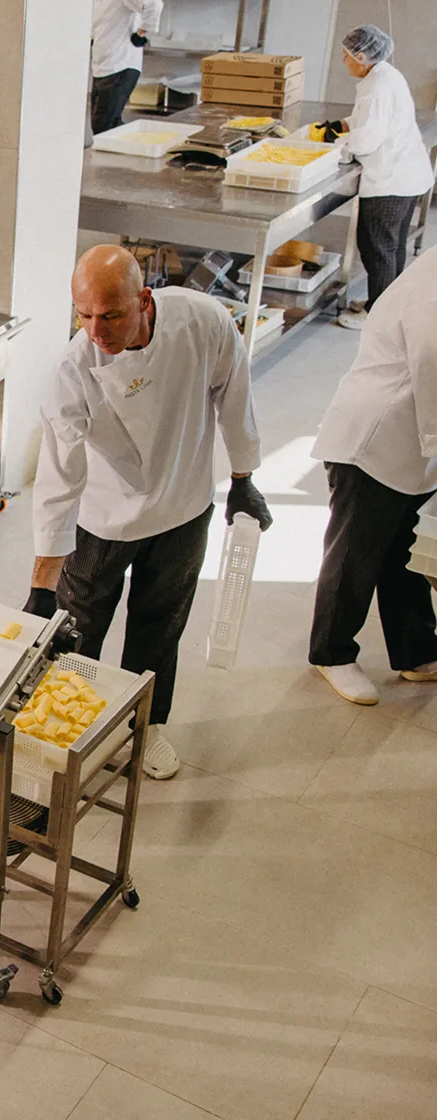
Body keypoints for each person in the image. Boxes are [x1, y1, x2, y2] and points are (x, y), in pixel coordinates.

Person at [23, 246, 272, 779]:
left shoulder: (202, 322)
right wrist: (42, 585)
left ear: (144, 299)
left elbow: (235, 393)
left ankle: (147, 726)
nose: (96, 330)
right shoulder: (74, 369)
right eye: (84, 315)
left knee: (160, 626)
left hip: (183, 505)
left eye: (110, 315)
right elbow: (59, 478)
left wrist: (244, 479)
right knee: (79, 628)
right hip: (105, 517)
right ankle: (65, 726)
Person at [309, 246, 437, 705]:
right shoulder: (431, 292)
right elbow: (432, 371)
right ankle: (332, 652)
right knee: (356, 555)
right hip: (374, 437)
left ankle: (417, 652)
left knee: (403, 552)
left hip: (412, 445)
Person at [317, 25, 434, 331]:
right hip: (407, 174)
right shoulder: (383, 75)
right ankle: (383, 305)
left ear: (362, 55)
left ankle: (378, 318)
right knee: (391, 246)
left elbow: (366, 140)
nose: (344, 62)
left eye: (346, 56)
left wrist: (336, 145)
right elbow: (370, 120)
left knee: (377, 246)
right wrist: (342, 124)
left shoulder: (377, 87)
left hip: (392, 179)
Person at [90, 0, 163, 135]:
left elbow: (154, 5)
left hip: (121, 65)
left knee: (103, 126)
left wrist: (140, 33)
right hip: (101, 66)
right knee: (101, 126)